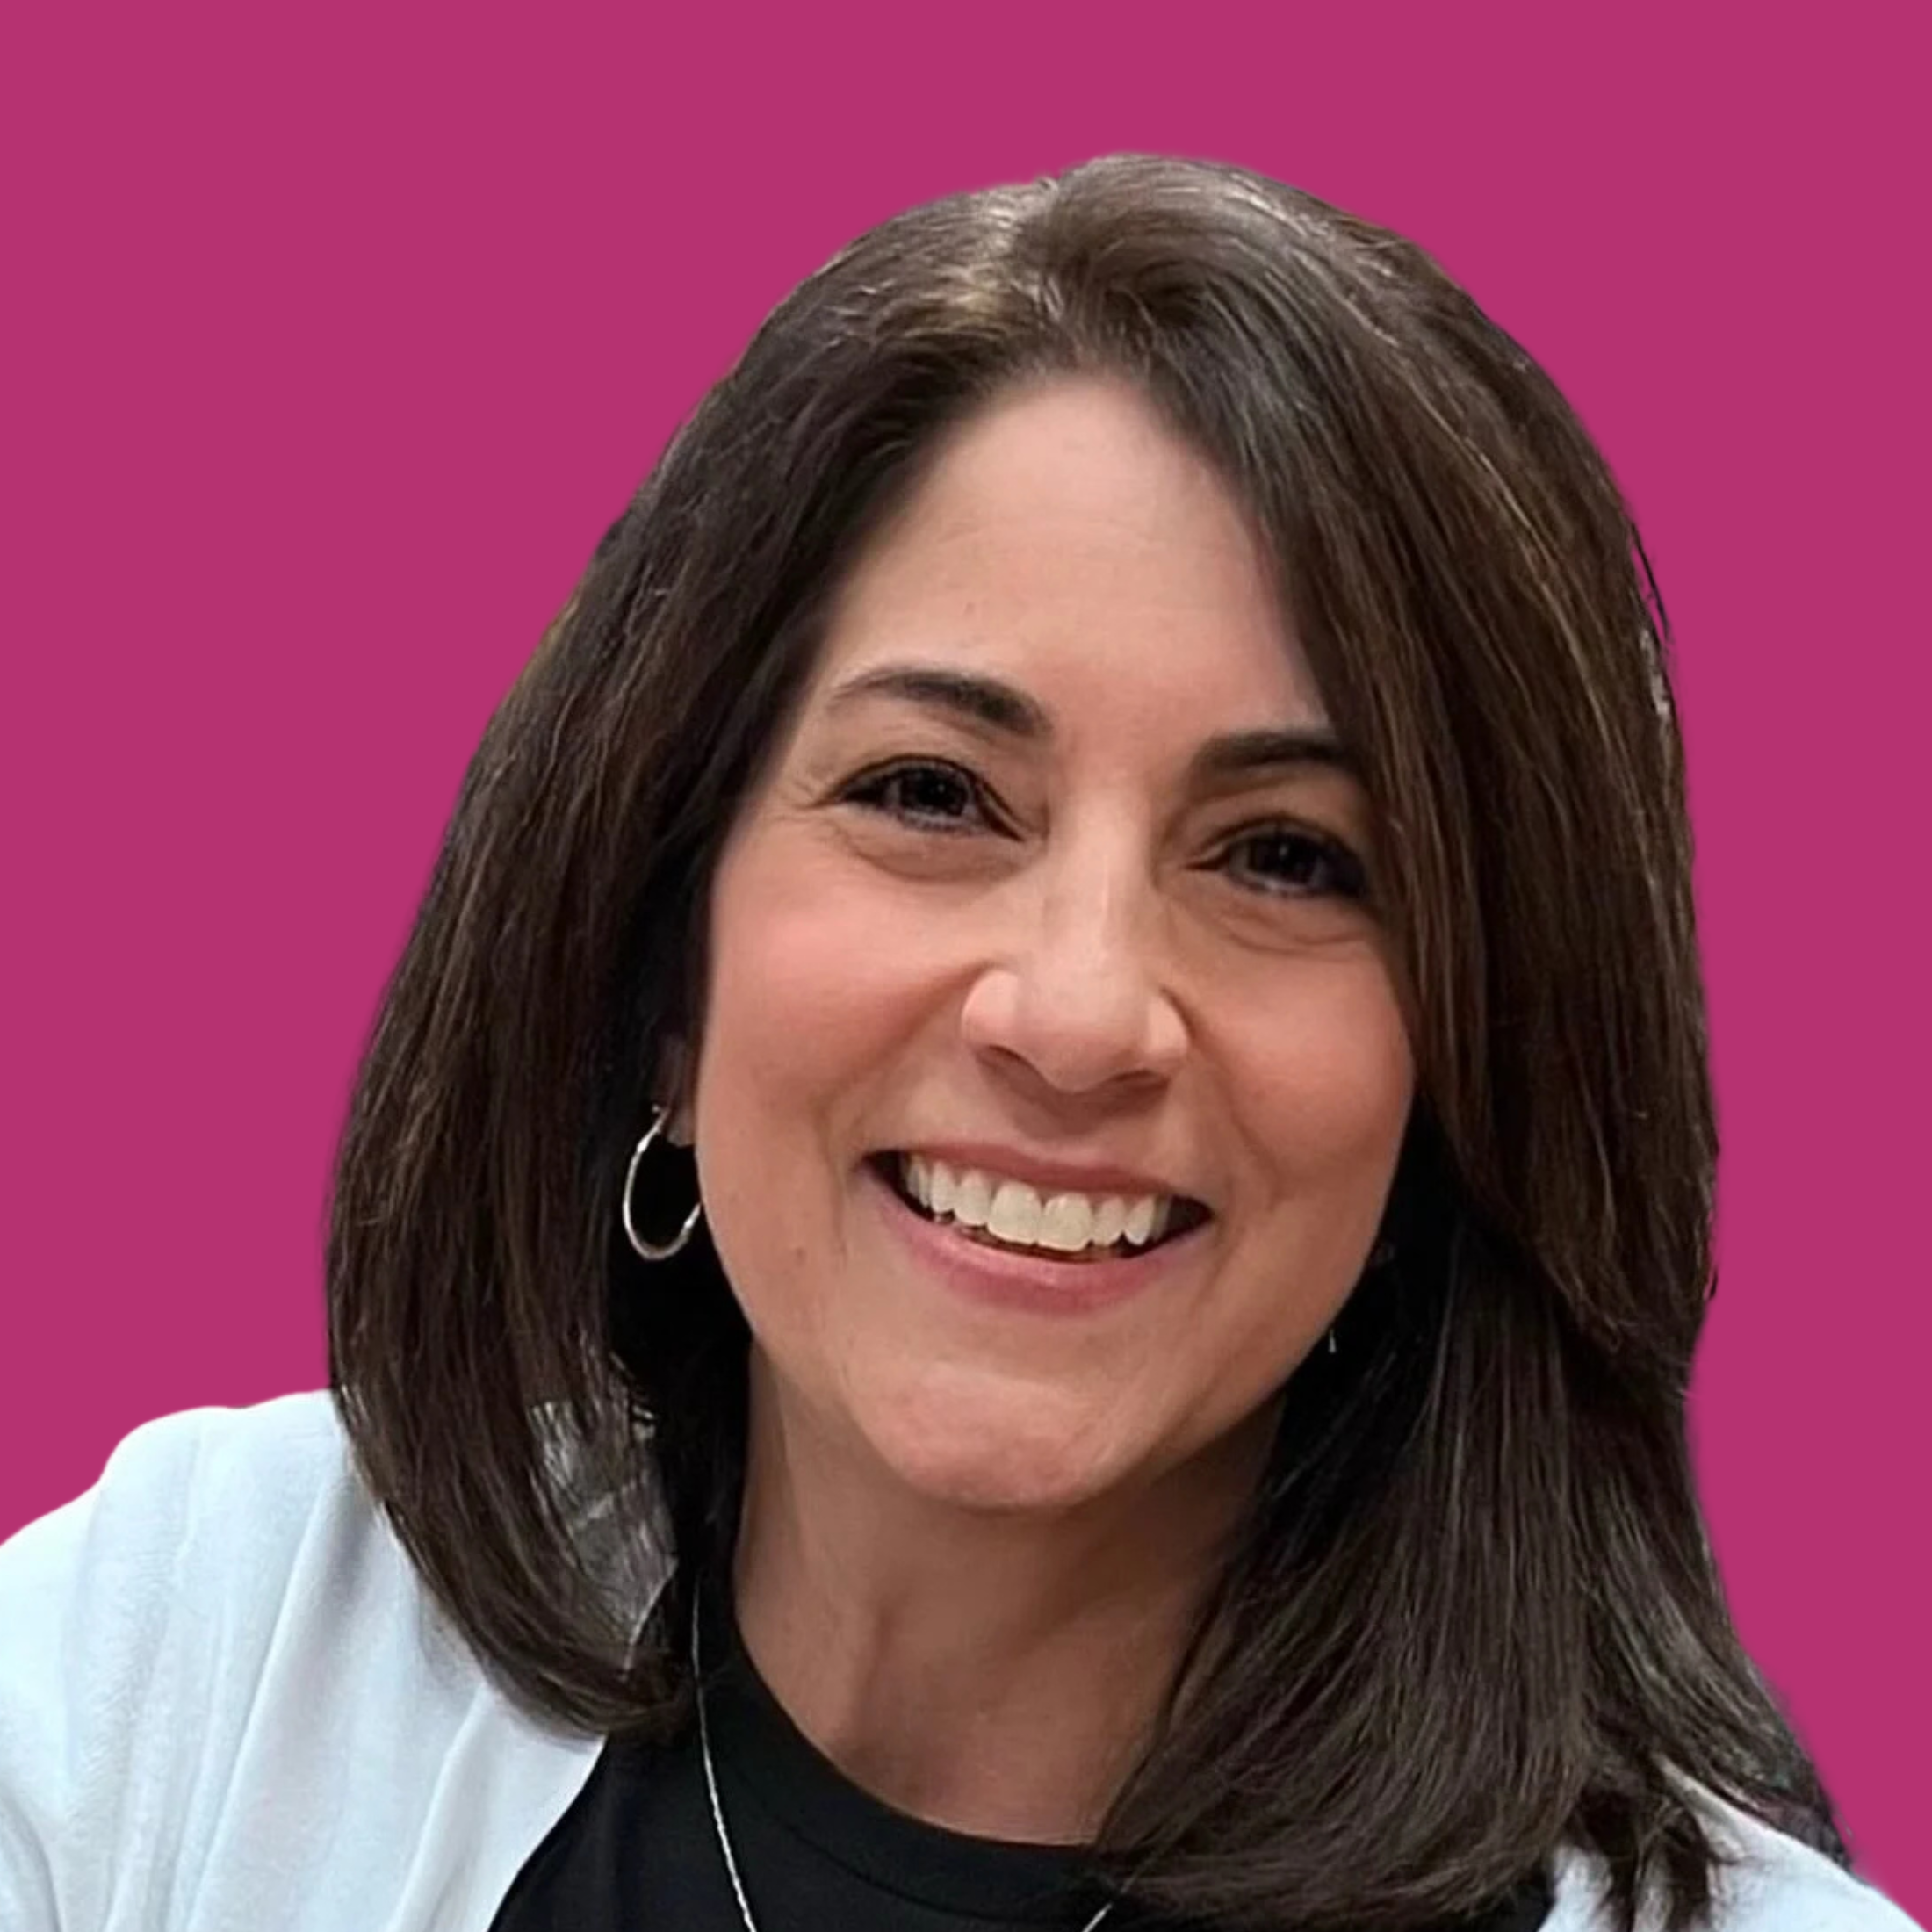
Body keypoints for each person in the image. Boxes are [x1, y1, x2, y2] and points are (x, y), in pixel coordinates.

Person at [0, 154, 1915, 1932]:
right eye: (931, 792)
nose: (1074, 1013)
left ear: (1463, 1071)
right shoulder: (203, 1648)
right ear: (664, 950)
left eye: (1283, 855)